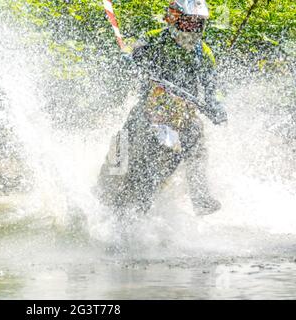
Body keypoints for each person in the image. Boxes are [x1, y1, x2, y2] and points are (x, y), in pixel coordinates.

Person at [97, 0, 227, 216]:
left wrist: (216, 106)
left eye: (197, 24)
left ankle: (200, 196)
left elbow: (212, 89)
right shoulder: (154, 39)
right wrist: (128, 57)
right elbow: (132, 50)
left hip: (183, 114)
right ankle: (104, 187)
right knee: (123, 142)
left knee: (198, 140)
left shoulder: (203, 53)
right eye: (187, 23)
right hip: (150, 108)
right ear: (173, 19)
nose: (192, 29)